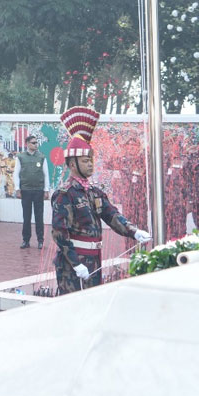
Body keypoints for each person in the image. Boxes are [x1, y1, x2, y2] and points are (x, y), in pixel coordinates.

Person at [51, 107, 151, 295]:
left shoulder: (94, 192)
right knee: (72, 307)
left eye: (91, 160)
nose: (90, 164)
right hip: (73, 263)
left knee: (91, 304)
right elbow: (59, 233)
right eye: (85, 161)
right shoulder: (66, 194)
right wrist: (75, 263)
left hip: (94, 258)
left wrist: (134, 231)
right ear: (73, 164)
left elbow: (111, 214)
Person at [14, 136, 47, 249]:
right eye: (33, 143)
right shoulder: (20, 157)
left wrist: (46, 190)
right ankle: (26, 240)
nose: (35, 145)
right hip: (25, 191)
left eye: (36, 143)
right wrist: (17, 189)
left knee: (39, 216)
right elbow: (16, 174)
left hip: (38, 191)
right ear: (27, 143)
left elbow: (46, 174)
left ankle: (40, 240)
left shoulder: (41, 157)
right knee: (26, 217)